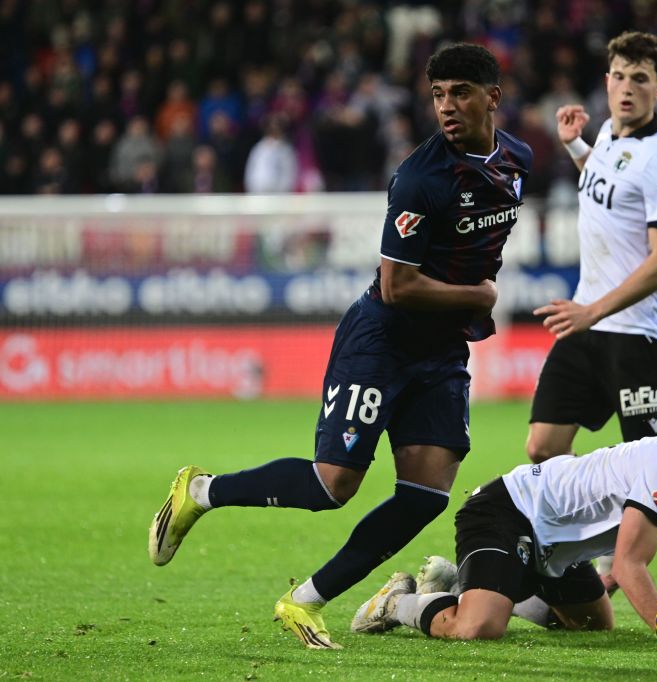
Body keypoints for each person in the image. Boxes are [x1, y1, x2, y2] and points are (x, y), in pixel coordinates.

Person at [148, 43, 532, 650]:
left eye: (460, 93)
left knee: (426, 495)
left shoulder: (517, 161)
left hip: (442, 351)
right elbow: (397, 285)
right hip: (382, 340)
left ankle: (304, 601)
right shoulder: (420, 178)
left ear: (493, 98)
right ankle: (201, 492)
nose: (446, 107)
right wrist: (476, 296)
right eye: (438, 95)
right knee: (334, 485)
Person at [351, 398, 657, 641]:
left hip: (557, 549)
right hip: (510, 510)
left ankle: (462, 585)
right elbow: (628, 565)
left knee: (594, 625)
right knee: (479, 627)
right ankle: (396, 602)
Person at [525, 31, 657, 579]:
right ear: (607, 82)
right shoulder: (606, 133)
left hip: (638, 335)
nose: (628, 88)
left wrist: (592, 311)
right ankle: (582, 549)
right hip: (587, 322)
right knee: (543, 447)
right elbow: (609, 185)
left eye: (641, 79)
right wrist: (575, 147)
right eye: (620, 77)